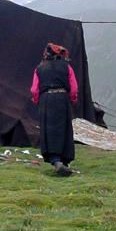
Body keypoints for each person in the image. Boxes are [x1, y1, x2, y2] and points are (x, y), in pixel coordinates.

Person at [31, 43, 78, 176]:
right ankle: (64, 161)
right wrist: (71, 100)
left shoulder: (39, 68)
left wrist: (38, 101)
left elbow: (35, 89)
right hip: (62, 98)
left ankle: (56, 160)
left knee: (49, 129)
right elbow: (73, 88)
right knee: (64, 129)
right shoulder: (66, 67)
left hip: (46, 99)